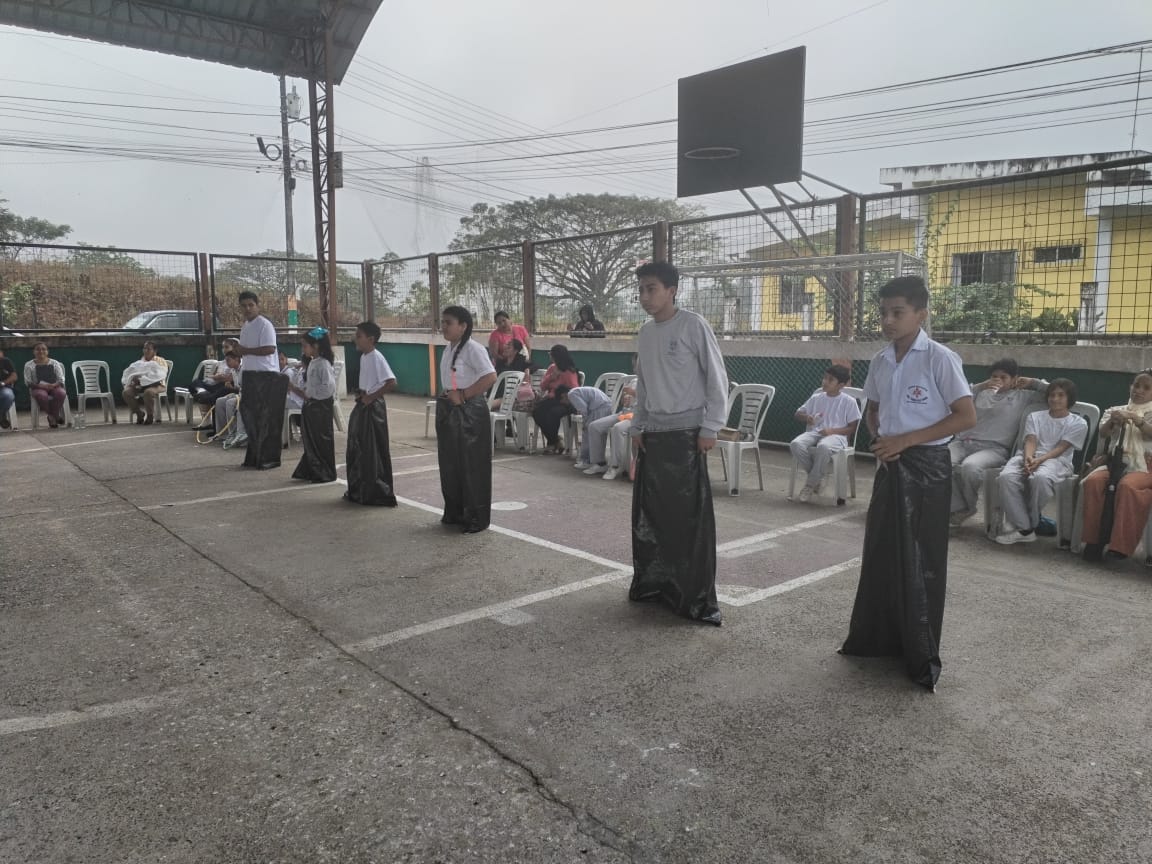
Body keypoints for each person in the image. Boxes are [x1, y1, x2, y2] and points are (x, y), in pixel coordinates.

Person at [840, 275, 975, 691]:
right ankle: (876, 639)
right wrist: (881, 438)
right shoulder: (881, 360)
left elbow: (965, 416)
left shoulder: (939, 358)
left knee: (921, 562)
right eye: (883, 312)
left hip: (928, 468)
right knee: (882, 552)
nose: (888, 320)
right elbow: (875, 409)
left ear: (921, 314)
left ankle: (919, 651)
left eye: (897, 312)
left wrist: (906, 440)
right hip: (891, 463)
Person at [628, 261, 728, 626]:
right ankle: (656, 584)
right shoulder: (645, 333)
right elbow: (644, 385)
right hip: (653, 435)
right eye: (641, 290)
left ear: (672, 290)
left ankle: (694, 596)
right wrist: (638, 425)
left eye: (651, 288)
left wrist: (711, 427)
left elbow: (717, 378)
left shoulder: (693, 325)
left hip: (687, 434)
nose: (645, 296)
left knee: (688, 521)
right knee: (654, 516)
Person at [950, 358, 1048, 526]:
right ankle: (960, 507)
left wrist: (1033, 382)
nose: (998, 380)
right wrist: (982, 386)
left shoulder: (1023, 397)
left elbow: (1056, 393)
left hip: (994, 448)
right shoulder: (980, 393)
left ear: (1014, 379)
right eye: (994, 376)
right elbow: (957, 396)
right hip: (963, 442)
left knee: (970, 467)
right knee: (939, 461)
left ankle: (967, 507)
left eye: (1003, 377)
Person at [994, 379, 1087, 545]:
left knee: (1040, 478)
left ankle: (1024, 525)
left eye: (1061, 395)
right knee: (1005, 477)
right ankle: (1026, 528)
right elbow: (1031, 440)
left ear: (1070, 398)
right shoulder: (1035, 416)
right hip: (1028, 455)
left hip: (1057, 460)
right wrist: (1028, 459)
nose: (1055, 399)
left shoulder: (1078, 422)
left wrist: (1040, 460)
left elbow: (1062, 447)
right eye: (1052, 395)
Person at [1079, 369, 1152, 562]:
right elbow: (1103, 434)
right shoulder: (1115, 410)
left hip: (1145, 466)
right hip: (1115, 462)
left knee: (1128, 486)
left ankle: (1120, 546)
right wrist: (1113, 420)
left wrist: (1138, 421)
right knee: (1094, 482)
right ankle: (1094, 541)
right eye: (1136, 385)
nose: (1139, 390)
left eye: (1146, 388)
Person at [436, 306, 497, 533]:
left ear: (463, 326)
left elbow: (490, 376)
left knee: (471, 464)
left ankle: (475, 517)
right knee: (450, 463)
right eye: (443, 322)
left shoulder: (473, 349)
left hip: (469, 411)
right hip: (449, 409)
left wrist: (463, 395)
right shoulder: (448, 349)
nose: (444, 326)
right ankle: (456, 512)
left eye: (448, 322)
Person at [788, 364, 861, 503]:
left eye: (830, 379)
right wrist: (807, 418)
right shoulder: (816, 397)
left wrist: (832, 431)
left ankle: (810, 485)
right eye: (825, 378)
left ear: (841, 385)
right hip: (815, 432)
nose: (825, 382)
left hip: (838, 436)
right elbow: (797, 414)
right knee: (795, 444)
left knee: (824, 446)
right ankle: (818, 477)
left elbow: (852, 428)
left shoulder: (849, 402)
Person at [344, 321, 398, 505]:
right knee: (359, 448)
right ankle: (361, 488)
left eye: (359, 336)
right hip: (364, 403)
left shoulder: (376, 357)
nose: (355, 339)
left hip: (373, 408)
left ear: (371, 339)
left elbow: (391, 382)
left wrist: (371, 397)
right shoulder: (364, 357)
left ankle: (377, 490)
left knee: (372, 450)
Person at [234, 291, 286, 470]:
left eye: (251, 305)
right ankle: (255, 455)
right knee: (251, 418)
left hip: (266, 377)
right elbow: (244, 350)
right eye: (244, 306)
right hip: (250, 376)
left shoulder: (265, 325)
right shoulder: (245, 326)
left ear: (257, 305)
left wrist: (245, 351)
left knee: (267, 420)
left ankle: (269, 458)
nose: (247, 309)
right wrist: (241, 351)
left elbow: (270, 349)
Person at [290, 328, 338, 484]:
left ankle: (323, 471)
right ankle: (312, 469)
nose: (302, 349)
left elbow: (329, 388)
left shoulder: (323, 364)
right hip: (312, 406)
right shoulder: (313, 362)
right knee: (311, 440)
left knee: (320, 440)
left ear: (316, 346)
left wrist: (311, 395)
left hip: (320, 408)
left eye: (305, 345)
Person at [583, 379, 637, 479]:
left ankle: (615, 466)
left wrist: (634, 393)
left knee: (617, 428)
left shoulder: (651, 381)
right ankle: (600, 464)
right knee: (594, 426)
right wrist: (624, 400)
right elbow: (623, 402)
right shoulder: (633, 380)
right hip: (624, 413)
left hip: (637, 416)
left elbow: (652, 401)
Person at [531, 345, 580, 454]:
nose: (550, 356)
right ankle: (555, 440)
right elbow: (543, 386)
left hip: (564, 402)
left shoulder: (569, 371)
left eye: (551, 354)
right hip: (551, 399)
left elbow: (574, 390)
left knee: (553, 413)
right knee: (537, 412)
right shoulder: (552, 368)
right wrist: (551, 377)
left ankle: (551, 443)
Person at [558, 384, 615, 469]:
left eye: (562, 401)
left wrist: (585, 423)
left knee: (587, 433)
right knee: (593, 434)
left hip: (599, 408)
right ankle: (591, 460)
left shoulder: (571, 394)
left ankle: (588, 461)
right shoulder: (575, 391)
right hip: (603, 406)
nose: (564, 403)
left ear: (563, 395)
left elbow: (583, 409)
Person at [191, 339, 239, 430]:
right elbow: (213, 376)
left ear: (234, 348)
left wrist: (219, 377)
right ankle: (206, 419)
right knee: (196, 383)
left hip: (224, 385)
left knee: (222, 390)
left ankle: (206, 397)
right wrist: (217, 376)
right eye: (223, 347)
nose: (224, 350)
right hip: (215, 384)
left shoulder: (236, 361)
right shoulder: (221, 362)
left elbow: (230, 378)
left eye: (227, 347)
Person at [121, 341, 168, 425]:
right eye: (144, 348)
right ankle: (139, 413)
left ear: (154, 351)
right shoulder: (140, 362)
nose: (146, 350)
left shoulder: (160, 361)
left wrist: (145, 380)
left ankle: (150, 416)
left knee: (148, 392)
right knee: (126, 393)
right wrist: (134, 379)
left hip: (158, 384)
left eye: (148, 349)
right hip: (140, 385)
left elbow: (159, 375)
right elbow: (132, 372)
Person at [24, 343, 68, 428]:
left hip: (54, 386)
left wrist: (54, 385)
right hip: (38, 388)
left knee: (61, 393)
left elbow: (61, 379)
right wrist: (41, 386)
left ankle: (52, 417)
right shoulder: (28, 365)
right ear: (34, 352)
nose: (41, 351)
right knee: (41, 395)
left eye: (43, 349)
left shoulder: (54, 363)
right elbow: (28, 382)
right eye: (38, 349)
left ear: (47, 351)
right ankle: (55, 416)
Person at [0, 345, 17, 429]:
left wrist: (3, 383)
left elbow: (14, 376)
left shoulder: (6, 361)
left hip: (3, 387)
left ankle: (1, 415)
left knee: (8, 396)